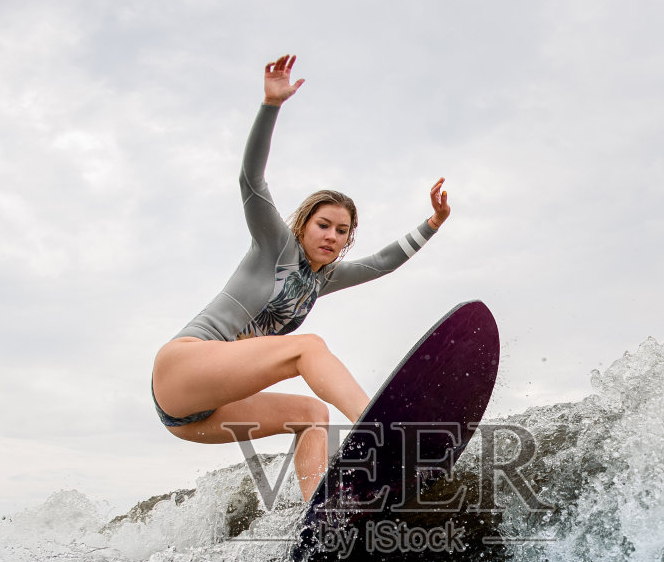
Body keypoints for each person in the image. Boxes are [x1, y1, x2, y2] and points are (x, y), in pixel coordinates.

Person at [150, 54, 452, 502]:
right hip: (181, 369)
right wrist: (270, 105)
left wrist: (433, 223)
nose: (331, 236)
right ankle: (382, 431)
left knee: (313, 412)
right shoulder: (275, 245)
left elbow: (384, 262)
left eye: (342, 230)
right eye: (323, 224)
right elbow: (250, 179)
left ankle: (317, 518)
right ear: (304, 224)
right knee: (307, 347)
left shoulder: (324, 278)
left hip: (200, 415)